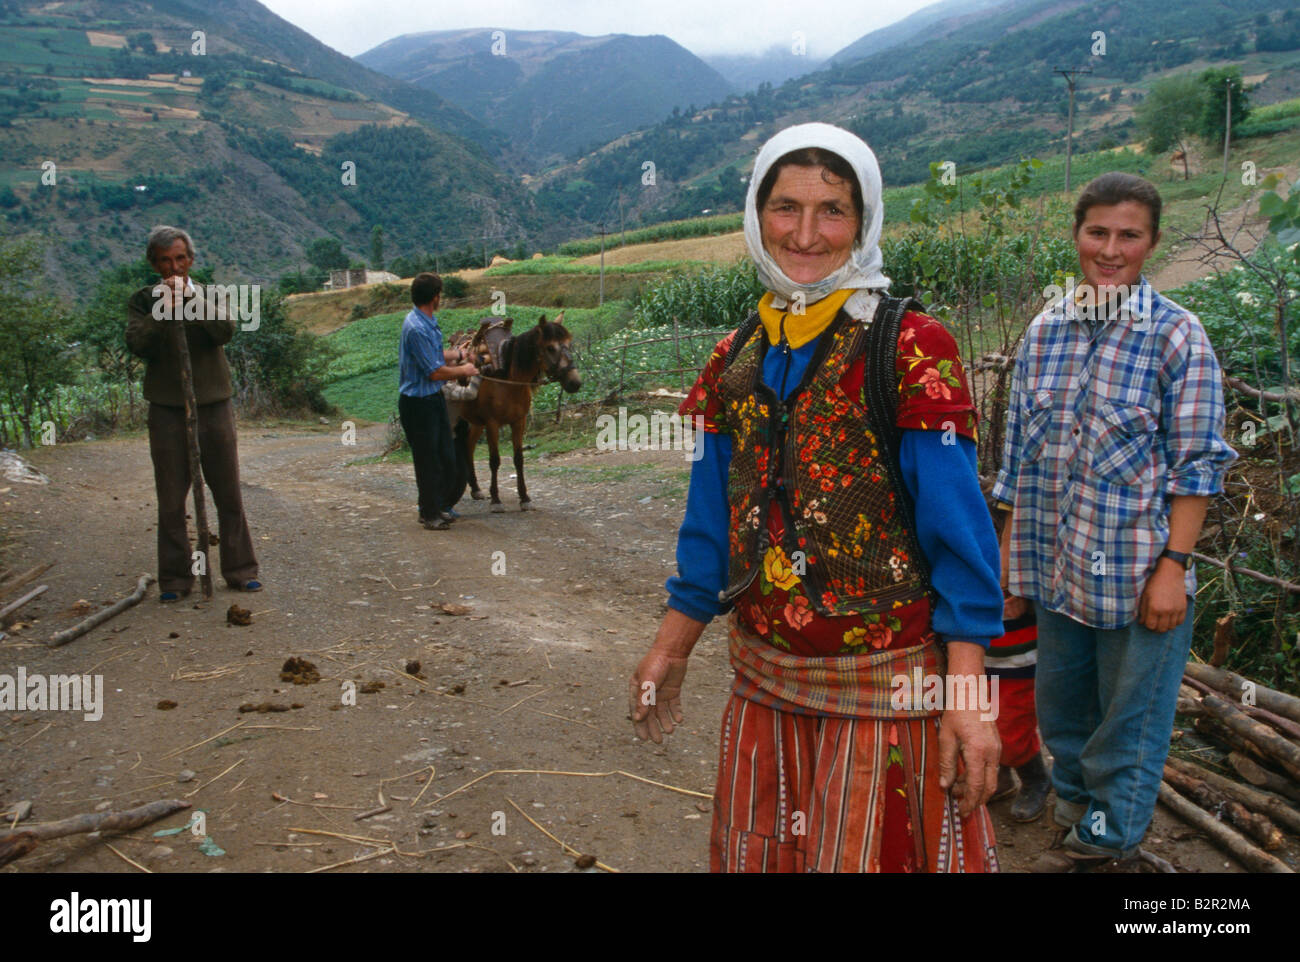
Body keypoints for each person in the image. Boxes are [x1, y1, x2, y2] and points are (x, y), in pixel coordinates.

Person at [628, 123, 1005, 873]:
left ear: (863, 222)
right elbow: (712, 526)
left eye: (832, 210)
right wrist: (670, 649)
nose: (806, 233)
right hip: (768, 683)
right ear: (756, 214)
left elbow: (960, 538)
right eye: (785, 207)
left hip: (886, 694)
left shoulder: (910, 348)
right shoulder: (739, 355)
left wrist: (969, 697)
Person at [992, 172, 1237, 871]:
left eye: (1128, 234)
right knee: (1064, 720)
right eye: (1097, 231)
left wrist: (1174, 570)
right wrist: (1012, 560)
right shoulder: (1045, 333)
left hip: (1138, 579)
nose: (1110, 248)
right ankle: (1076, 821)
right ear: (1077, 236)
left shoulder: (1177, 337)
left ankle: (1107, 849)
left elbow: (1198, 467)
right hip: (1056, 570)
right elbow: (1018, 464)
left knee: (1125, 731)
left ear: (1152, 243)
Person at [125, 225, 260, 601]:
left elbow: (225, 331)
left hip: (214, 405)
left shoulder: (212, 294)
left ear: (191, 259)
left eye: (180, 259)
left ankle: (240, 569)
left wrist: (192, 303)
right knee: (170, 499)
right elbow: (138, 344)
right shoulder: (142, 300)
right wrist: (163, 312)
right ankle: (175, 580)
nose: (174, 267)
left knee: (228, 492)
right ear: (154, 264)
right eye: (165, 261)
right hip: (167, 409)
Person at [984, 498, 1049, 822]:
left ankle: (1036, 778)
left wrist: (1020, 594)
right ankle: (1002, 776)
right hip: (984, 660)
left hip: (1018, 661)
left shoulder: (1025, 559)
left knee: (1013, 724)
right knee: (989, 719)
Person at [399, 272, 478, 530]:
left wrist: (459, 353)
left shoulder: (427, 322)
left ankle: (435, 505)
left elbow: (436, 356)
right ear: (435, 297)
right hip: (418, 403)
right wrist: (464, 370)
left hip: (433, 398)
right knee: (428, 460)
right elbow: (434, 371)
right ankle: (430, 513)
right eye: (440, 294)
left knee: (445, 456)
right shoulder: (417, 328)